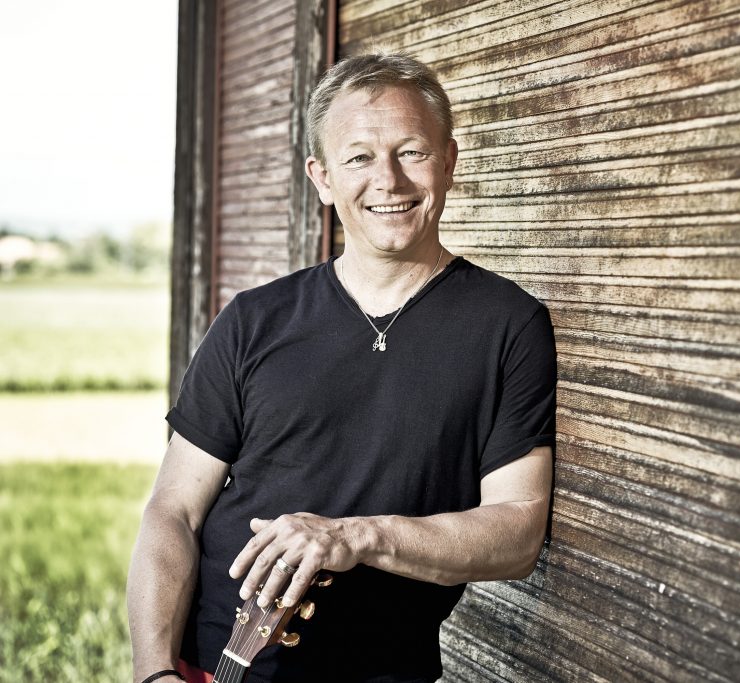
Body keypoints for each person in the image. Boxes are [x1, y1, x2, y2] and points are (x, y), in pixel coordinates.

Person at [127, 53, 557, 683]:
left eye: (411, 152)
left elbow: (517, 533)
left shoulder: (508, 326)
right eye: (358, 158)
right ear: (322, 178)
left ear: (448, 161)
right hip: (214, 664)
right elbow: (174, 512)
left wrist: (357, 537)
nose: (388, 180)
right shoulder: (252, 321)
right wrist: (154, 672)